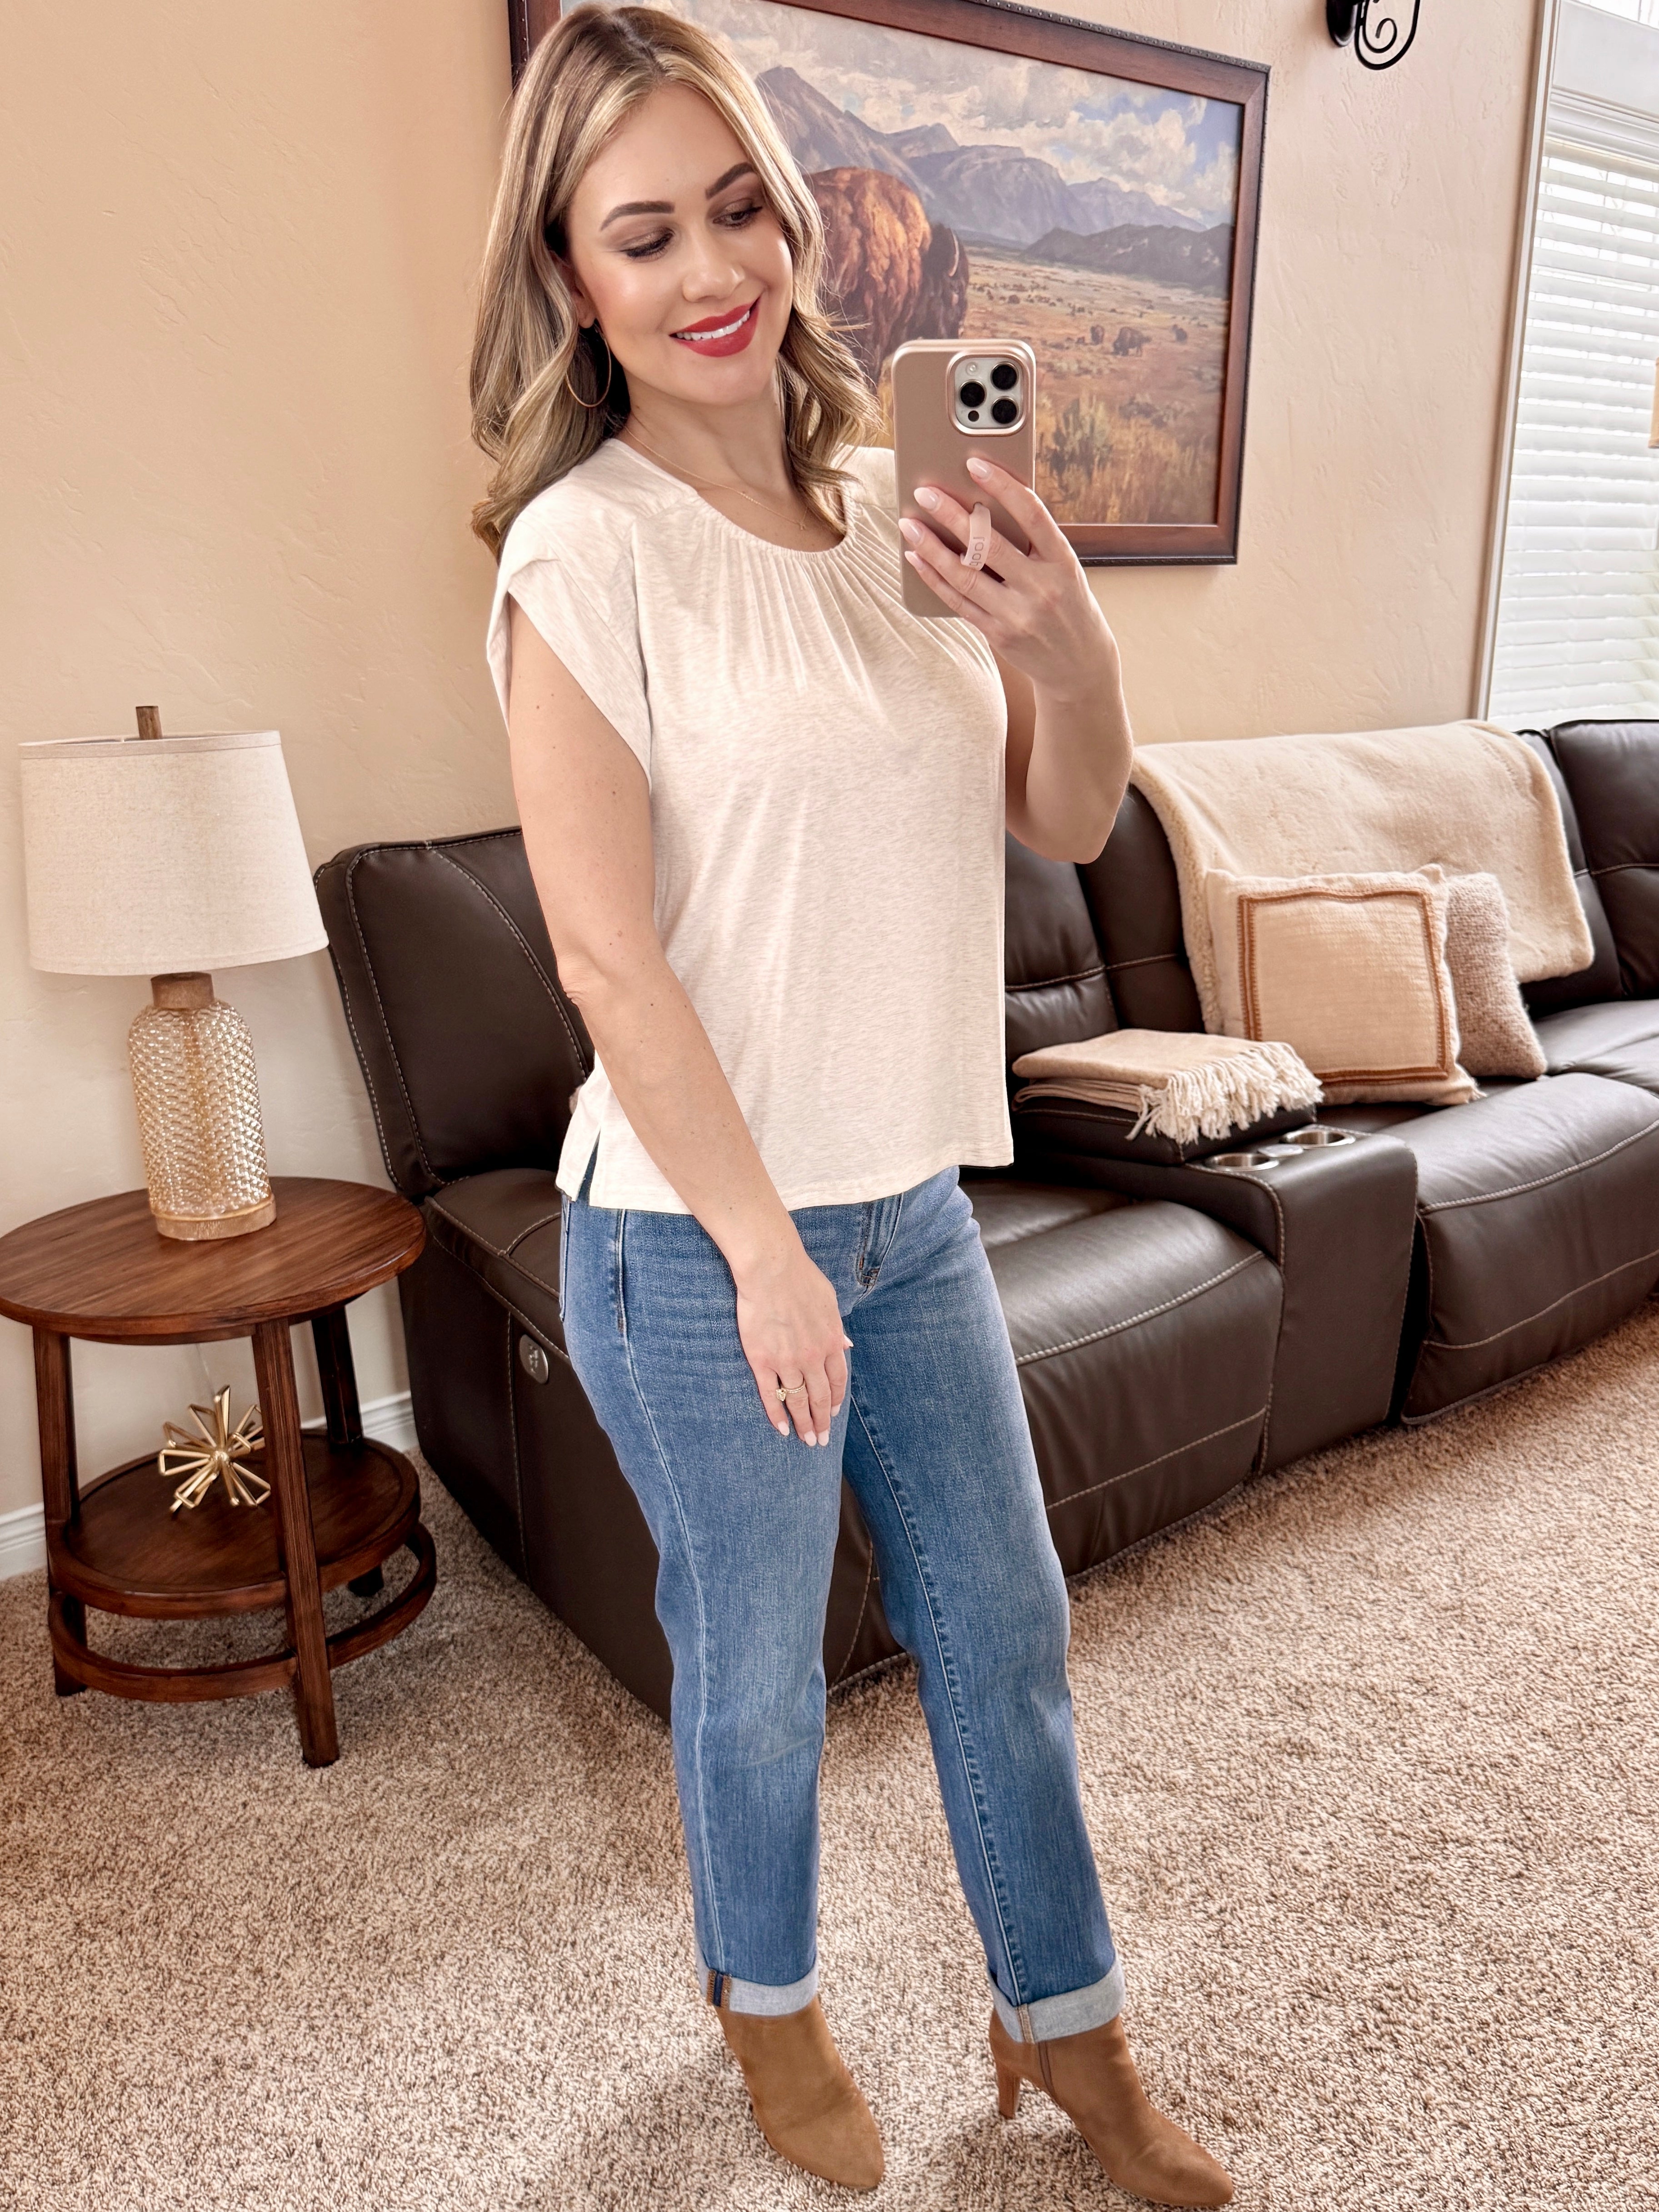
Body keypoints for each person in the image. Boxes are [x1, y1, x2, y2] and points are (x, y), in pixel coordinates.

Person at [470, 9, 1234, 2204]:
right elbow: (605, 958)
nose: (712, 268)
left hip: (910, 1198)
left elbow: (1064, 815)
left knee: (1008, 1630)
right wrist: (760, 1250)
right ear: (571, 276)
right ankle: (770, 2001)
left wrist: (1068, 642)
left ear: (793, 223)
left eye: (739, 208)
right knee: (758, 1668)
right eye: (644, 232)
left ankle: (1066, 2023)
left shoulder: (907, 508)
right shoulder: (581, 555)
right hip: (697, 1235)